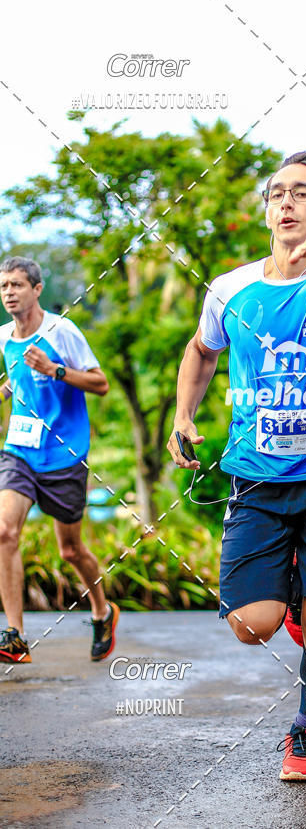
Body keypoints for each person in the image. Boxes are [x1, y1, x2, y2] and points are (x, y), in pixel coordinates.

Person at [167, 150, 306, 781]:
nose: (286, 202)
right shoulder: (232, 288)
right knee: (251, 625)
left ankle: (305, 731)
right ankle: (293, 595)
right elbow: (201, 350)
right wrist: (185, 415)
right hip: (257, 479)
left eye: (302, 192)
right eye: (276, 193)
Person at [0, 256, 116, 663]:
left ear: (36, 289)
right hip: (19, 450)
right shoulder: (2, 337)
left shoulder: (60, 331)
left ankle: (102, 610)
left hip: (64, 453)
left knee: (70, 550)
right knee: (4, 531)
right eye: (4, 286)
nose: (9, 292)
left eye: (17, 285)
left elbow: (100, 383)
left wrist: (55, 370)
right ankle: (14, 635)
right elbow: (15, 381)